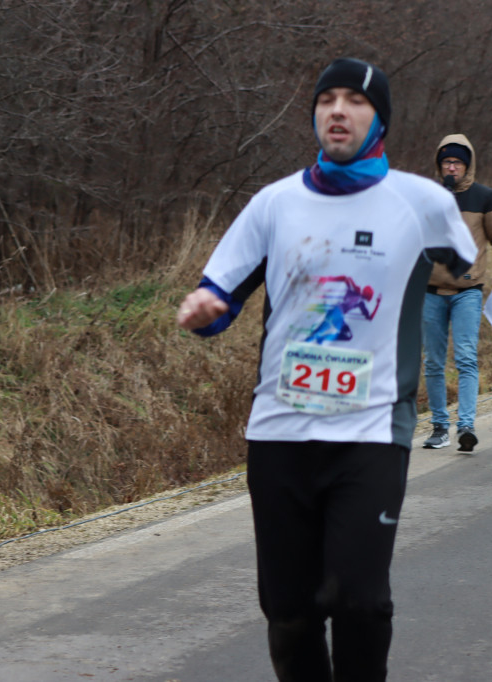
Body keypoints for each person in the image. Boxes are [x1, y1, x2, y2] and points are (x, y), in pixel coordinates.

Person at [176, 58, 476, 681]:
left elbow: (461, 262)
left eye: (356, 102)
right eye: (327, 99)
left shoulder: (420, 202)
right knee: (289, 611)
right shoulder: (274, 204)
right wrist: (204, 310)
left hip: (370, 432)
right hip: (280, 432)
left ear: (380, 120)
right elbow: (219, 294)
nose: (338, 110)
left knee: (360, 602)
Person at [421, 134, 492, 453]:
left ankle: (466, 425)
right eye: (446, 163)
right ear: (439, 165)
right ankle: (439, 426)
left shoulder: (485, 198)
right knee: (434, 362)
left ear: (468, 165)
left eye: (457, 163)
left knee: (465, 357)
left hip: (467, 291)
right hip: (430, 292)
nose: (452, 168)